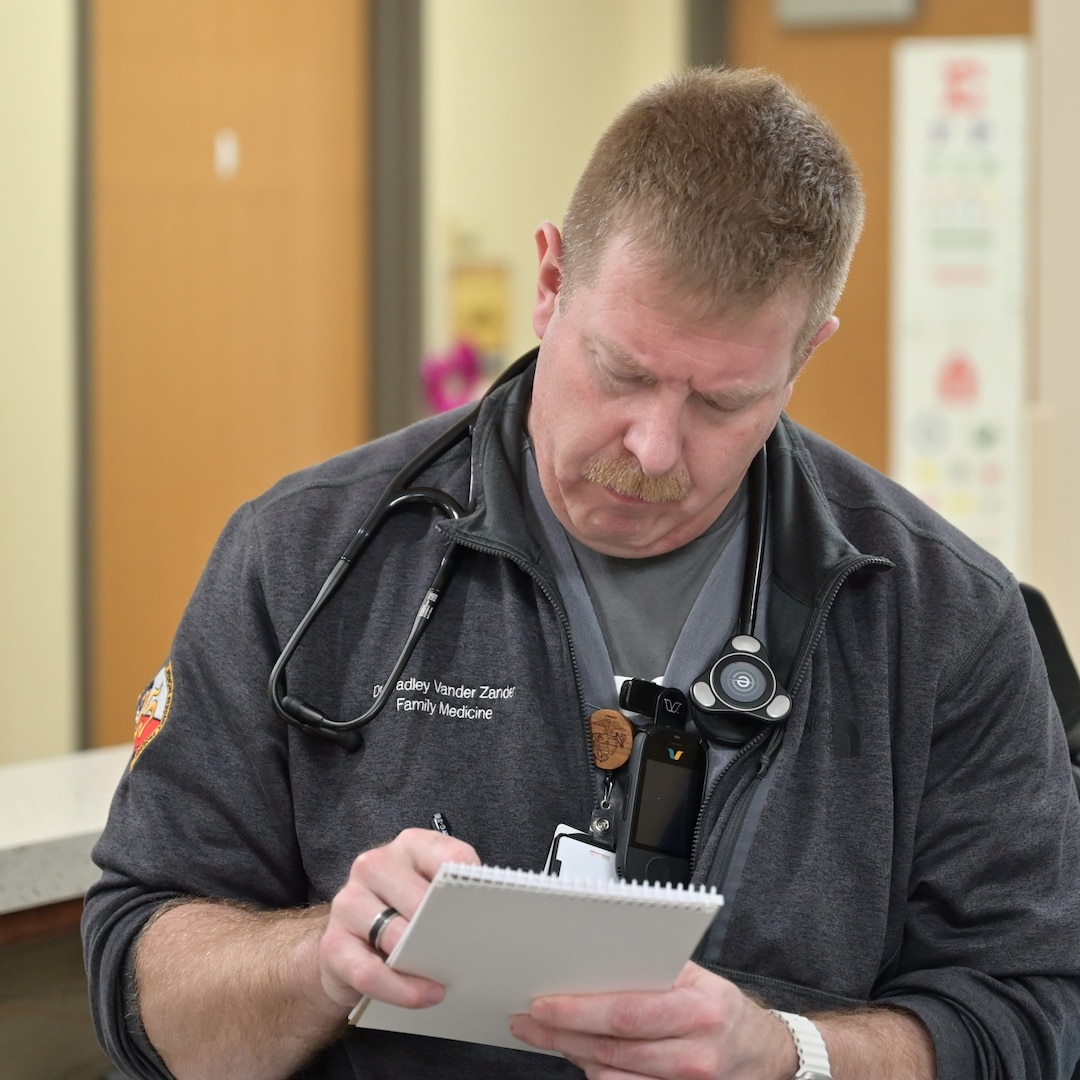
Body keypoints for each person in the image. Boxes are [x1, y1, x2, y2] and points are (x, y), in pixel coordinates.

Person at [82, 66, 1080, 1080]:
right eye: (623, 371)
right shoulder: (300, 559)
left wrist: (791, 1057)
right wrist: (321, 962)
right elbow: (139, 973)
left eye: (723, 402)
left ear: (804, 357)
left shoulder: (943, 617)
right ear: (550, 283)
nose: (652, 448)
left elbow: (1033, 1011)